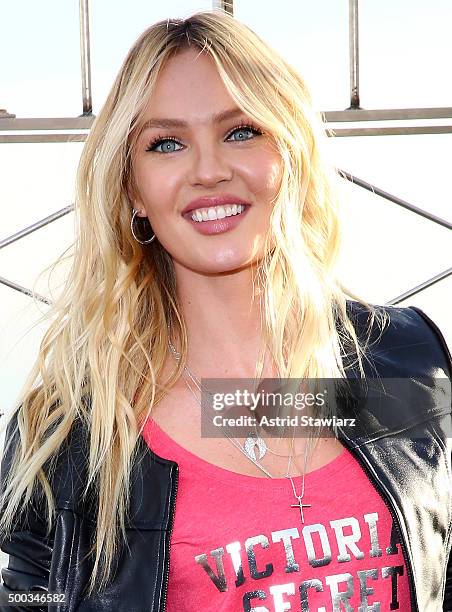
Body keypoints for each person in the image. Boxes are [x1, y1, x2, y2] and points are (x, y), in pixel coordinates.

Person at [0, 9, 451, 612]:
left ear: (287, 152)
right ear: (133, 188)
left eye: (240, 131)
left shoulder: (405, 358)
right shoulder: (72, 435)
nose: (210, 170)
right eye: (166, 144)